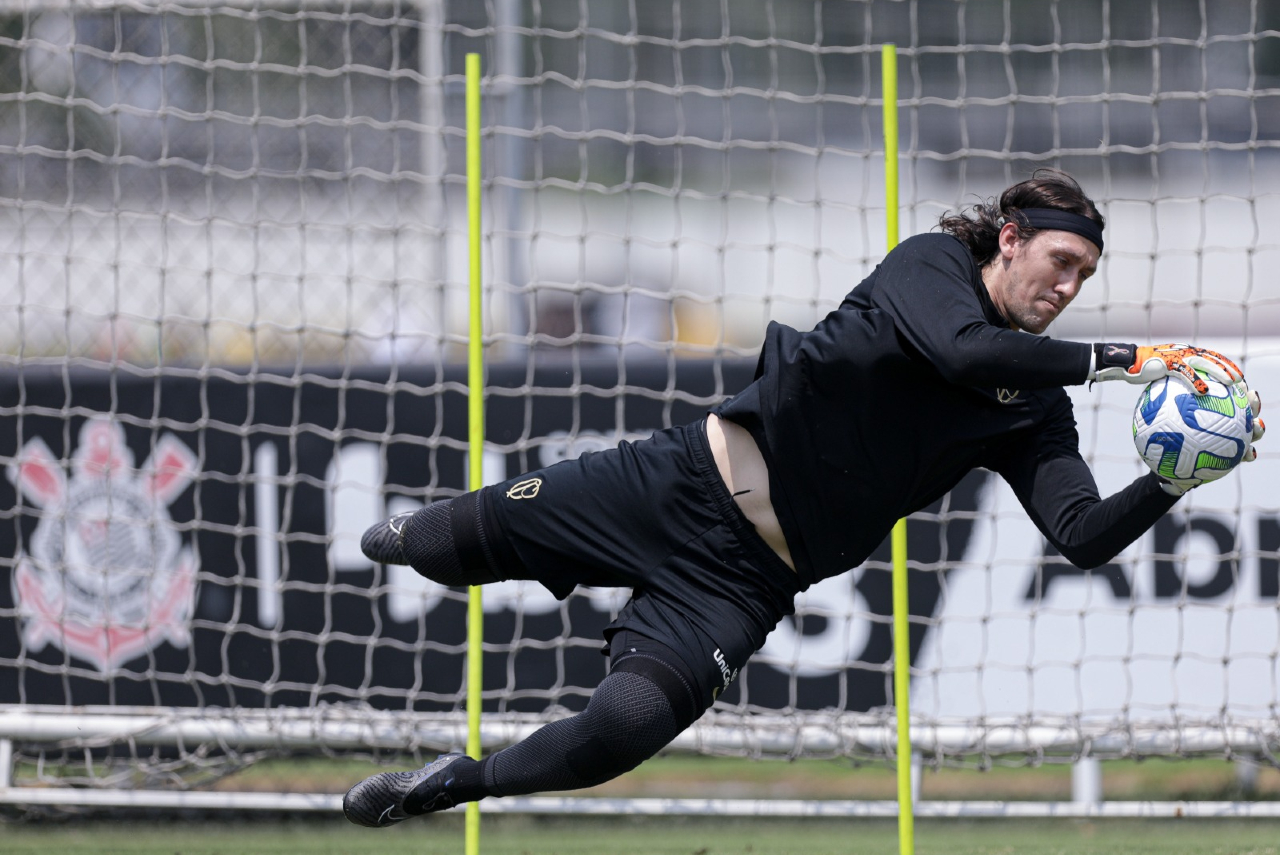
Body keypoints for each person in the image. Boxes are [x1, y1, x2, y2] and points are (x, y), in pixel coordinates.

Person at [341, 169, 1265, 827]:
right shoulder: (932, 265)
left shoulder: (1034, 408)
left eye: (1085, 278)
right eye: (1061, 261)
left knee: (623, 728)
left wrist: (1173, 479)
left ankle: (455, 783)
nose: (1068, 287)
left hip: (744, 582)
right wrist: (1131, 357)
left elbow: (1083, 535)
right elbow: (960, 352)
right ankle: (415, 540)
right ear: (1010, 238)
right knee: (416, 543)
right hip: (675, 483)